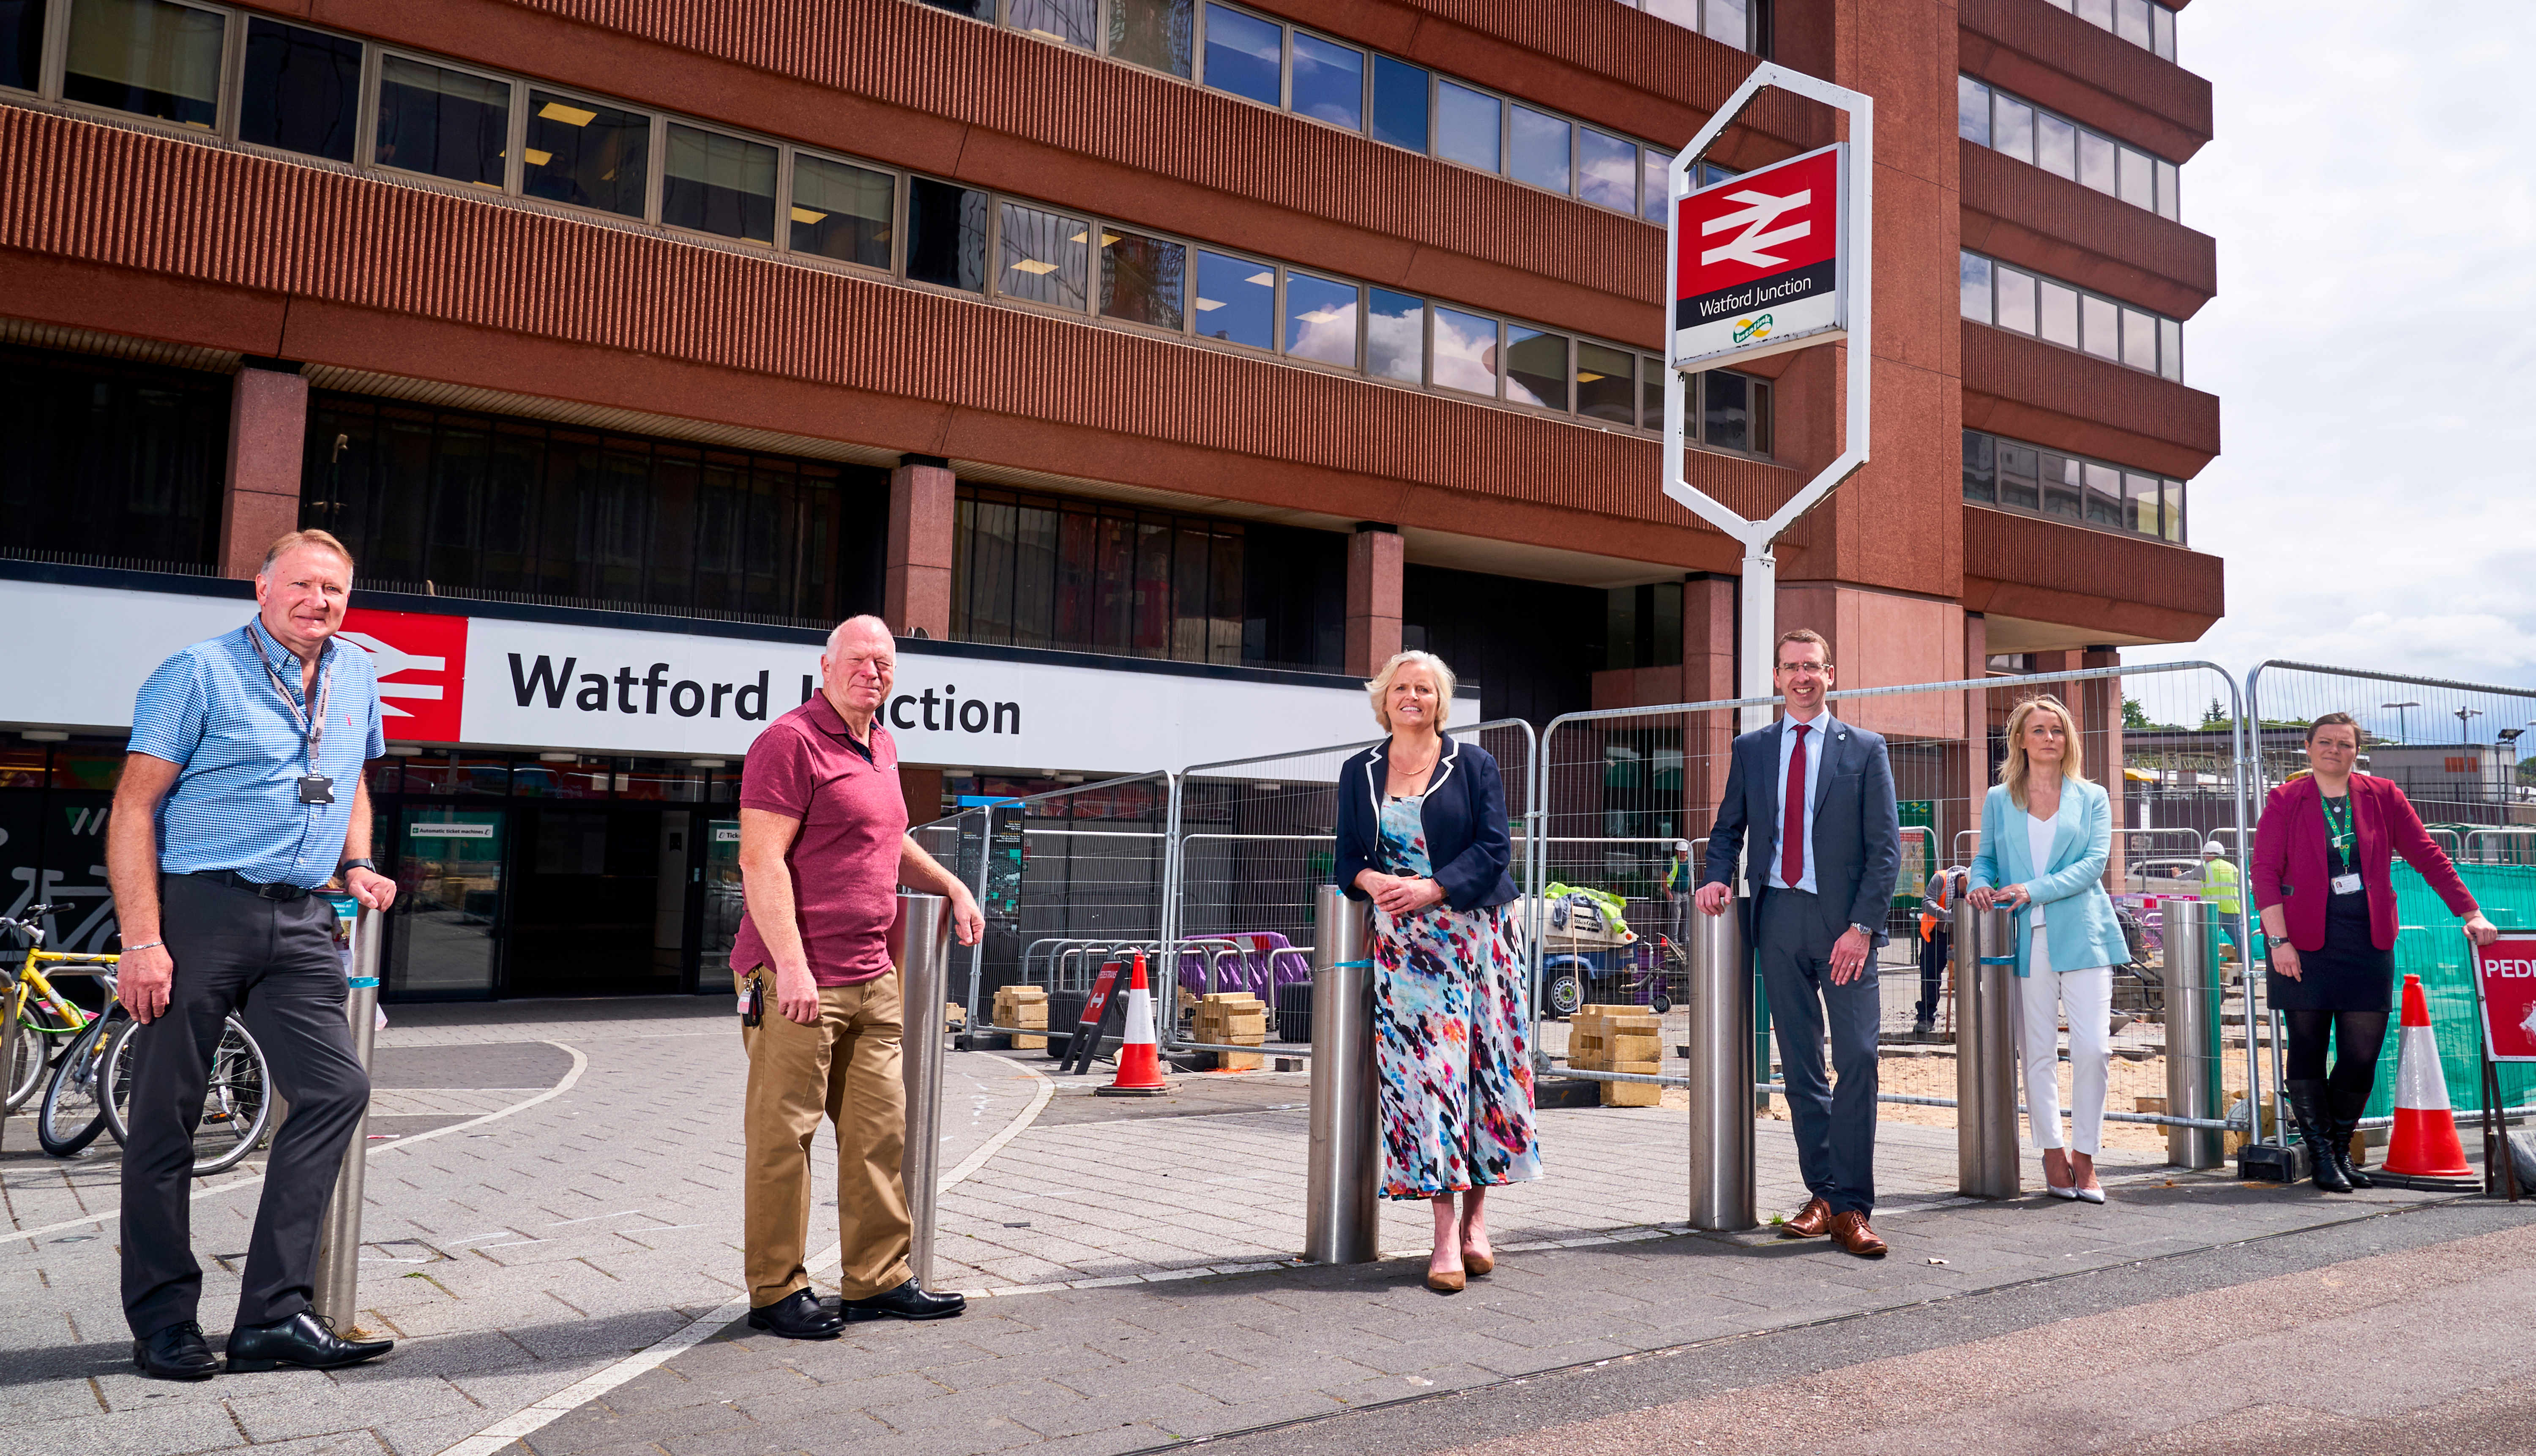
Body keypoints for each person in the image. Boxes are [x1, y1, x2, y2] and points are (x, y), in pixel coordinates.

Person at [104, 530, 399, 1381]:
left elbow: (352, 784)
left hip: (304, 919)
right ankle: (163, 1320)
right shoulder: (199, 672)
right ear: (262, 589)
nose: (320, 602)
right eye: (304, 585)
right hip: (200, 908)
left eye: (335, 590)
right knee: (168, 1115)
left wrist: (358, 863)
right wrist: (143, 938)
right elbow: (133, 808)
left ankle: (273, 1314)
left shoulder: (359, 675)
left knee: (339, 1088)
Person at [733, 615, 985, 1336]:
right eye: (858, 659)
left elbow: (886, 844)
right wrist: (791, 966)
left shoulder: (882, 745)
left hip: (873, 975)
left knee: (880, 1134)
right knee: (785, 1138)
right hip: (797, 979)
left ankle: (877, 1281)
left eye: (883, 662)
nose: (871, 671)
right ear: (825, 666)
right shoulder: (789, 742)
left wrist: (952, 886)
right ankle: (776, 1292)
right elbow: (761, 861)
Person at [1334, 650, 1539, 1294]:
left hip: (1478, 940)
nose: (1413, 697)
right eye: (1402, 687)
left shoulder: (1474, 764)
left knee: (1484, 1079)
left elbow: (1494, 850)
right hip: (1406, 951)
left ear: (1440, 700)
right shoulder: (1358, 770)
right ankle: (1443, 1232)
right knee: (1428, 1084)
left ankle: (1478, 1224)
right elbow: (1345, 855)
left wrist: (1433, 889)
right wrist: (1370, 879)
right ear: (1384, 697)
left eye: (1425, 688)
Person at [1695, 629, 1900, 1257]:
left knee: (1859, 1056)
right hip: (1779, 920)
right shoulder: (1752, 747)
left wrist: (1861, 928)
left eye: (1813, 667)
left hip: (1844, 929)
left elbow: (1885, 850)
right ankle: (1825, 1195)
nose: (1802, 676)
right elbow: (1729, 826)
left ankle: (1853, 1204)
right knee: (1802, 1066)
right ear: (1777, 677)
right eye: (1791, 667)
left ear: (1831, 674)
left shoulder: (1865, 749)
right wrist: (1715, 876)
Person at [2252, 712, 2496, 1193]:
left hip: (2367, 940)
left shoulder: (2384, 796)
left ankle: (2339, 1149)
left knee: (2361, 1053)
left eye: (2344, 744)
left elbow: (2428, 854)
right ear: (2308, 747)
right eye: (2325, 742)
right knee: (2307, 1048)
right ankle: (2322, 1157)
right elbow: (2264, 871)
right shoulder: (2286, 799)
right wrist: (2278, 941)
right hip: (2300, 943)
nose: (2334, 750)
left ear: (2355, 751)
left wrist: (2471, 913)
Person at [1968, 696, 2132, 1203]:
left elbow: (2093, 865)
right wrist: (1978, 883)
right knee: (2035, 1052)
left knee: (2094, 1049)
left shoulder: (2093, 796)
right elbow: (1987, 859)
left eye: (2057, 730)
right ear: (2020, 739)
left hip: (2083, 932)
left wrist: (2030, 890)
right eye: (2038, 730)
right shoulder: (2000, 798)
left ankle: (2086, 1154)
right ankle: (2051, 1152)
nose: (2049, 738)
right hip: (2024, 938)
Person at [1914, 864, 1968, 1037]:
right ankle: (1926, 1018)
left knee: (1971, 976)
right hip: (1936, 934)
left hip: (1963, 935)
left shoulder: (1976, 887)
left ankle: (1973, 1018)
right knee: (1930, 976)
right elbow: (1927, 902)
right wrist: (1947, 915)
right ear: (1965, 880)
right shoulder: (1941, 880)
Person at [2200, 839, 2241, 949]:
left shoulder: (2205, 867)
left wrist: (2178, 875)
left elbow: (2187, 877)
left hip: (2213, 909)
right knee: (2239, 939)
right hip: (2232, 909)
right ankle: (2248, 964)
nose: (2204, 857)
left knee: (2209, 940)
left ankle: (2210, 963)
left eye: (2205, 854)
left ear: (2211, 854)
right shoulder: (2233, 867)